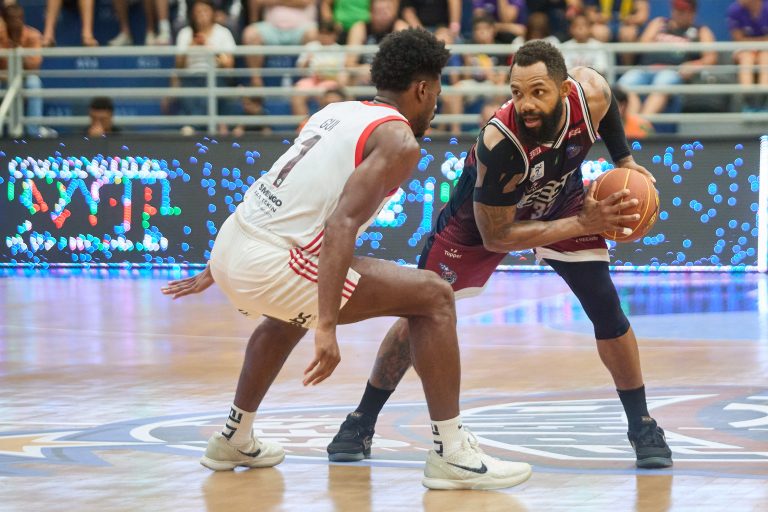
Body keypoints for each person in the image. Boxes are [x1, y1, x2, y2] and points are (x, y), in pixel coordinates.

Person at [161, 28, 532, 491]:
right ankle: (451, 452)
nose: (436, 106)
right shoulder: (399, 140)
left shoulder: (335, 112)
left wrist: (220, 264)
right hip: (267, 261)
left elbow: (283, 188)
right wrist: (327, 327)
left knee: (288, 312)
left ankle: (234, 436)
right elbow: (341, 225)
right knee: (434, 296)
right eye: (436, 95)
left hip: (235, 240)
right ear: (421, 89)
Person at [326, 40, 674, 471]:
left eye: (538, 92)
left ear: (565, 90)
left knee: (606, 307)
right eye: (517, 92)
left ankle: (641, 424)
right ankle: (362, 420)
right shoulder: (501, 140)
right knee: (419, 314)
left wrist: (625, 160)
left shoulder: (591, 95)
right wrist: (583, 224)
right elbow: (498, 236)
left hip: (559, 201)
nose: (526, 104)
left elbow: (607, 108)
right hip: (477, 227)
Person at [617, 0, 716, 117]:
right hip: (646, 69)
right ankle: (632, 122)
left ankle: (643, 122)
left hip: (673, 71)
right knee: (626, 83)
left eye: (682, 10)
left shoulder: (701, 30)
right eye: (675, 9)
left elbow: (711, 57)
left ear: (692, 13)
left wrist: (694, 65)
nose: (677, 13)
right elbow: (643, 44)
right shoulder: (659, 23)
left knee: (663, 82)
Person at [0, 4, 52, 138]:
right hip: (2, 78)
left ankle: (34, 131)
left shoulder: (33, 35)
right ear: (5, 20)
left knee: (34, 82)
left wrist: (19, 51)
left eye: (19, 18)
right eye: (12, 19)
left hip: (25, 77)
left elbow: (34, 65)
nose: (16, 22)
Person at [727, 0, 768, 111]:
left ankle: (763, 101)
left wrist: (755, 45)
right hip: (745, 50)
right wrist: (761, 42)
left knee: (765, 57)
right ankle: (749, 102)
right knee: (746, 58)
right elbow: (738, 39)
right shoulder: (735, 10)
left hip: (765, 50)